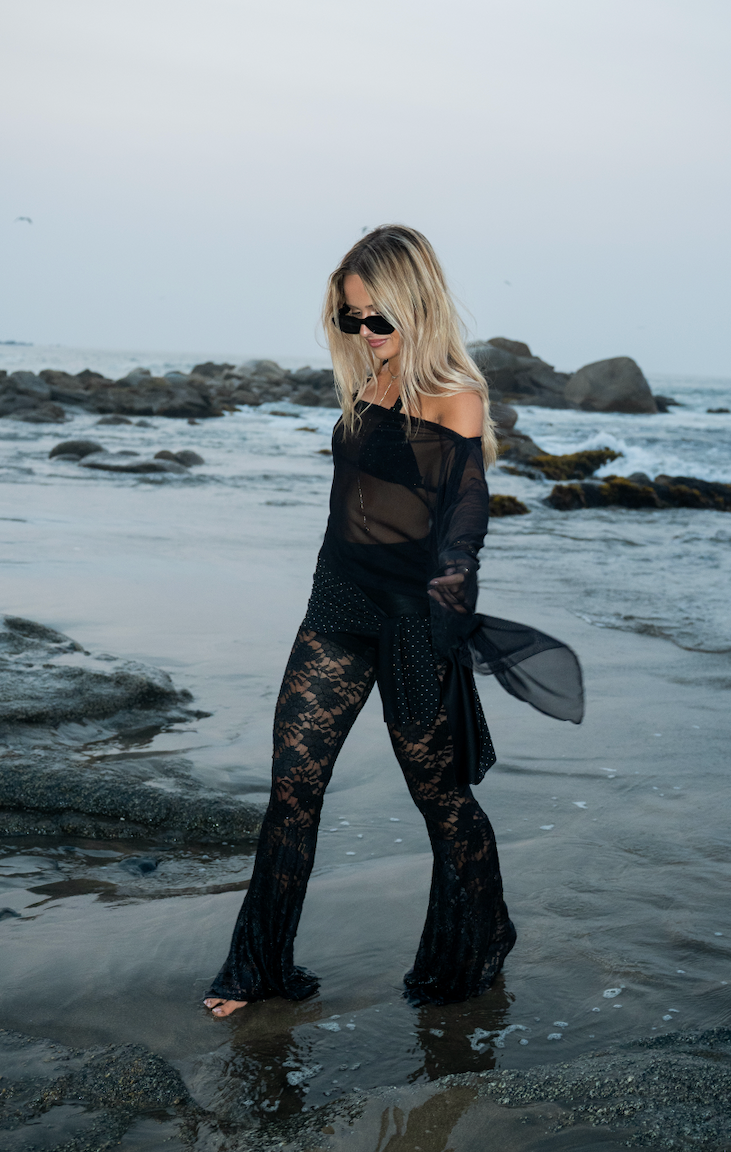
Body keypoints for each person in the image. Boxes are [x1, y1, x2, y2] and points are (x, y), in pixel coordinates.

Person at [204, 226, 583, 1018]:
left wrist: (456, 577)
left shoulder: (455, 396)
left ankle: (484, 933)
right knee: (293, 788)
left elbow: (466, 506)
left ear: (417, 306)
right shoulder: (366, 385)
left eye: (378, 317)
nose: (364, 331)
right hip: (336, 604)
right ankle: (255, 968)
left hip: (413, 621)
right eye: (351, 317)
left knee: (440, 801)